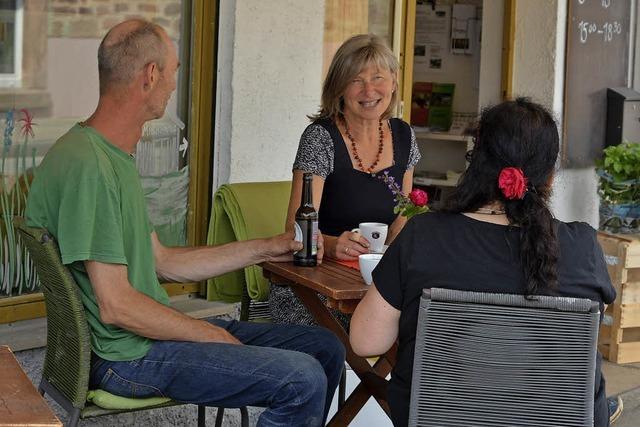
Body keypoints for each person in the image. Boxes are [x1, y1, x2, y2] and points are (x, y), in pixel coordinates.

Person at [25, 19, 344, 426]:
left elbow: (163, 261)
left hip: (142, 339)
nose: (175, 83)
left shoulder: (106, 156)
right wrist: (211, 333)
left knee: (324, 347)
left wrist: (267, 246)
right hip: (127, 358)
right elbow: (116, 305)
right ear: (151, 74)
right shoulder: (91, 169)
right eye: (174, 70)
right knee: (302, 379)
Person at [349, 98, 617, 426]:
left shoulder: (425, 236)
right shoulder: (582, 248)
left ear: (475, 164)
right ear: (549, 176)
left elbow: (366, 341)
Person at [270, 33, 421, 325]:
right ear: (339, 88)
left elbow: (403, 217)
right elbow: (294, 230)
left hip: (375, 287)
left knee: (424, 329)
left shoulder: (404, 136)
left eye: (378, 77)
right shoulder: (320, 138)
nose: (368, 90)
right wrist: (330, 244)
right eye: (356, 80)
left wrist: (385, 267)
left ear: (393, 81)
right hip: (314, 290)